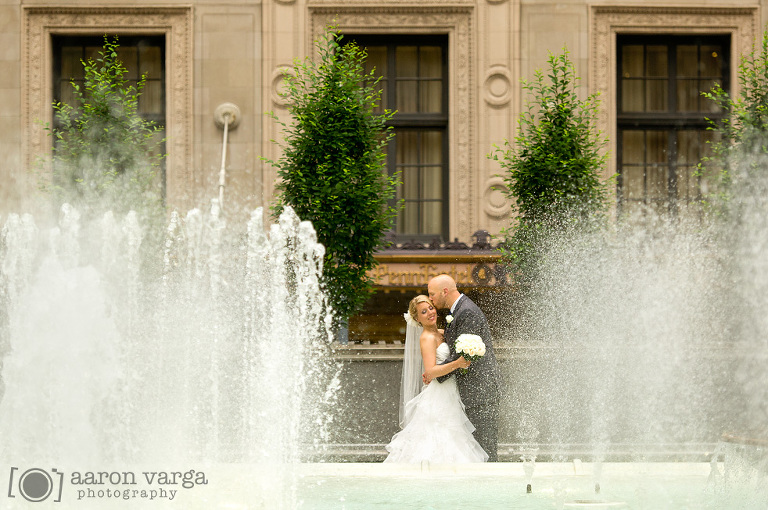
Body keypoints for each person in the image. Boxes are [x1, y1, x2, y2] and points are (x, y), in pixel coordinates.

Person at [383, 295, 488, 463]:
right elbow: (430, 371)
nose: (430, 313)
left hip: (451, 390)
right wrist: (458, 363)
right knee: (440, 435)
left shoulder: (441, 332)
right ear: (417, 318)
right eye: (423, 312)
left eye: (431, 308)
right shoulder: (427, 338)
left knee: (455, 436)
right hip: (439, 394)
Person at [427, 274, 501, 462]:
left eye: (432, 294)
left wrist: (435, 373)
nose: (431, 299)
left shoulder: (466, 312)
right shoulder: (458, 311)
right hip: (471, 392)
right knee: (474, 453)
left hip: (479, 393)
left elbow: (464, 356)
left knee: (484, 452)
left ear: (445, 291)